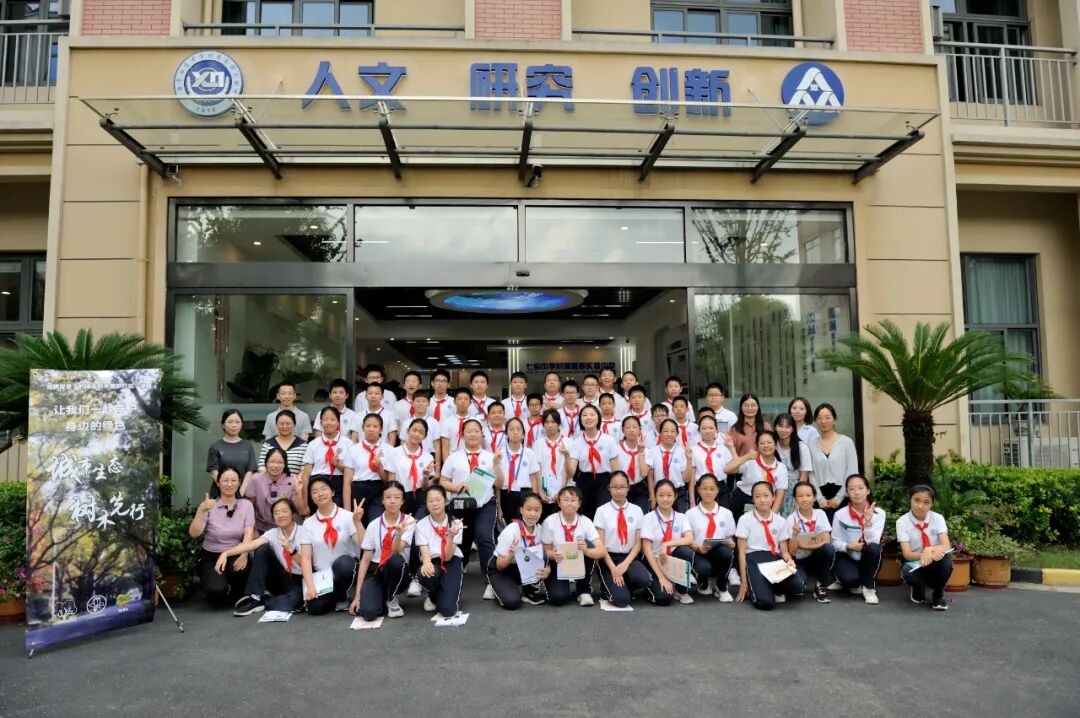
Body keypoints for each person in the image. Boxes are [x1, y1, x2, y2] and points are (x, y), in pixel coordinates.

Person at [440, 419, 498, 598]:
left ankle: (491, 579)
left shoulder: (490, 456)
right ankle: (457, 568)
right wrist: (456, 486)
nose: (472, 434)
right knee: (462, 538)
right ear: (462, 434)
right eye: (469, 431)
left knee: (484, 537)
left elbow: (499, 484)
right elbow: (443, 481)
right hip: (461, 505)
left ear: (482, 434)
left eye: (476, 431)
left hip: (485, 504)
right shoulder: (454, 457)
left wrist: (496, 464)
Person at [223, 497, 306, 617]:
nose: (280, 515)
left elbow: (307, 565)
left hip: (302, 579)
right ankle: (254, 596)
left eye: (284, 511)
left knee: (292, 603)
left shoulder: (304, 532)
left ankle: (263, 601)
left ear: (292, 514)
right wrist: (226, 554)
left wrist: (292, 551)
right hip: (282, 577)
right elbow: (251, 545)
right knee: (262, 548)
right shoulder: (273, 533)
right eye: (276, 513)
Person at [188, 467, 256, 608]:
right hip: (212, 557)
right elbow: (194, 533)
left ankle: (235, 590)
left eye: (233, 480)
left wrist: (244, 554)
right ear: (218, 483)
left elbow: (248, 534)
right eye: (225, 480)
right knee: (216, 592)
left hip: (235, 553)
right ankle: (219, 585)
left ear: (239, 483)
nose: (229, 484)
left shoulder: (246, 505)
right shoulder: (209, 505)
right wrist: (201, 510)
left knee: (241, 572)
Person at [299, 476, 365, 615]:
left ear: (333, 492)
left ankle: (342, 595)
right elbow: (305, 558)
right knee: (315, 608)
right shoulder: (308, 524)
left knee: (343, 564)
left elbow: (363, 544)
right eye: (315, 491)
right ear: (311, 497)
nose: (320, 494)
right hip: (323, 576)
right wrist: (310, 586)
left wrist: (358, 522)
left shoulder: (347, 516)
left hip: (345, 569)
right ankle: (333, 597)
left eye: (324, 489)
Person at [350, 481, 415, 621]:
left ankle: (391, 597)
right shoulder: (374, 525)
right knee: (368, 613)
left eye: (397, 497)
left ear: (403, 500)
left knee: (395, 561)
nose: (392, 501)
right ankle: (382, 597)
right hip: (377, 569)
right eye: (388, 497)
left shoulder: (409, 521)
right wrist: (358, 595)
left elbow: (396, 551)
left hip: (397, 570)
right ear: (382, 500)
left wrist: (398, 534)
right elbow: (366, 559)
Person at [734, 481, 804, 609]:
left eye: (766, 496)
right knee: (765, 602)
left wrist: (789, 561)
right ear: (753, 499)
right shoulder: (745, 519)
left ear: (773, 497)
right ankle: (759, 587)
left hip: (774, 559)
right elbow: (742, 553)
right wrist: (744, 583)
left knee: (798, 585)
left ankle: (771, 588)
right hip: (754, 559)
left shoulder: (780, 521)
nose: (762, 500)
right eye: (757, 496)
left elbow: (784, 552)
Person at [592, 471, 653, 608]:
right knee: (622, 601)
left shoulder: (637, 510)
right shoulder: (602, 511)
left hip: (628, 557)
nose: (618, 491)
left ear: (628, 488)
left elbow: (637, 544)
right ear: (609, 488)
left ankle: (623, 586)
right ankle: (609, 588)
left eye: (622, 487)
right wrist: (614, 568)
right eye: (615, 487)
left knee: (644, 579)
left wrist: (625, 564)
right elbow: (600, 545)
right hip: (608, 558)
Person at [540, 486, 606, 607]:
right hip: (558, 563)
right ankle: (560, 586)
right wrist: (553, 555)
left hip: (579, 562)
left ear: (579, 503)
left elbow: (601, 550)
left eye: (573, 500)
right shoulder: (549, 521)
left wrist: (586, 550)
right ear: (559, 502)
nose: (569, 503)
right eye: (565, 499)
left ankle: (583, 590)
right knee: (558, 598)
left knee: (589, 544)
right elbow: (545, 549)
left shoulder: (586, 521)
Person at [830, 474, 886, 605]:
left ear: (868, 490)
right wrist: (848, 546)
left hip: (868, 557)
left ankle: (868, 588)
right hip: (848, 556)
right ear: (847, 493)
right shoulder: (840, 514)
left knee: (873, 548)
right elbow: (835, 541)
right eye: (852, 489)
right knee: (851, 581)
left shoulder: (879, 513)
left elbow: (873, 542)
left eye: (860, 488)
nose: (856, 492)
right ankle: (849, 581)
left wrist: (868, 523)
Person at [488, 492, 550, 609]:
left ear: (541, 511)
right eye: (529, 509)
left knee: (543, 555)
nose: (533, 514)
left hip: (523, 567)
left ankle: (528, 590)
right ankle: (495, 586)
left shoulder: (541, 530)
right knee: (512, 601)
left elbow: (547, 556)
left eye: (537, 510)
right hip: (503, 569)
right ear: (521, 510)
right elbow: (499, 565)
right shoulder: (511, 530)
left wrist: (547, 570)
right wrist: (511, 555)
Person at [640, 479, 696, 605]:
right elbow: (647, 550)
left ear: (675, 496)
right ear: (655, 496)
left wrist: (666, 544)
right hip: (654, 562)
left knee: (685, 551)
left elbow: (689, 538)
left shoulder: (681, 517)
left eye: (669, 495)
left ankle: (681, 591)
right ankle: (651, 587)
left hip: (672, 562)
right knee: (664, 599)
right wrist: (661, 577)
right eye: (661, 495)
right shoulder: (648, 518)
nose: (665, 499)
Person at [898, 484, 953, 611]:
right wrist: (924, 555)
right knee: (907, 571)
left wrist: (929, 550)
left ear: (931, 504)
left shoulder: (937, 518)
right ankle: (918, 588)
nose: (920, 506)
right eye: (916, 500)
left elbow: (946, 545)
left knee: (946, 562)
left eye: (926, 502)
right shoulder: (902, 522)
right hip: (916, 561)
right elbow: (907, 554)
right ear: (910, 500)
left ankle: (938, 596)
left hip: (935, 560)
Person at [414, 485, 465, 619]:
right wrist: (426, 563)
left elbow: (447, 557)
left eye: (438, 499)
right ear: (426, 503)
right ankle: (433, 596)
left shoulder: (457, 523)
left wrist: (451, 536)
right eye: (430, 500)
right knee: (425, 573)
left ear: (446, 501)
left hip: (451, 561)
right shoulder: (421, 525)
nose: (434, 504)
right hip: (433, 560)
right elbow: (425, 554)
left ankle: (444, 597)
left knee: (448, 610)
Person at [686, 474, 737, 602]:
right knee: (704, 569)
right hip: (698, 552)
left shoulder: (726, 513)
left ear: (717, 490)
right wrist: (696, 548)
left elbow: (731, 536)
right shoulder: (690, 514)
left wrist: (731, 543)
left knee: (727, 552)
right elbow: (687, 540)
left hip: (719, 553)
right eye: (704, 488)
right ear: (698, 490)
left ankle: (722, 587)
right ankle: (702, 584)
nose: (708, 492)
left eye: (712, 489)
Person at [567, 404, 619, 518]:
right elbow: (571, 472)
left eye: (592, 415)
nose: (588, 417)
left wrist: (615, 486)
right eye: (584, 415)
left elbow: (615, 469)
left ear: (598, 418)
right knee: (585, 515)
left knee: (603, 513)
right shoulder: (577, 442)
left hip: (605, 481)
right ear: (580, 420)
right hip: (585, 480)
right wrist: (566, 456)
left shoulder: (608, 440)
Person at [807, 403, 859, 517]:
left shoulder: (846, 442)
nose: (823, 421)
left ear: (834, 420)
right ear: (815, 421)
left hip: (844, 494)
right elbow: (811, 474)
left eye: (827, 417)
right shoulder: (811, 445)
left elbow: (852, 471)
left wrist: (840, 497)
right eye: (819, 418)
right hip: (820, 497)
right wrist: (819, 498)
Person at [787, 481, 834, 603]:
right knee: (797, 587)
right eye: (800, 496)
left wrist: (803, 546)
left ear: (814, 497)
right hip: (799, 560)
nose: (804, 499)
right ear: (795, 499)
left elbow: (827, 541)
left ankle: (821, 585)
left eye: (808, 495)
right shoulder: (791, 519)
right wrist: (795, 535)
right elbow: (792, 552)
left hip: (816, 557)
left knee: (828, 549)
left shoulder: (820, 514)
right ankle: (802, 580)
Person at [724, 429, 789, 518]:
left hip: (766, 502)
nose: (766, 446)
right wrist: (747, 456)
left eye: (769, 442)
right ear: (757, 446)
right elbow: (727, 469)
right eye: (762, 443)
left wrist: (772, 518)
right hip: (744, 499)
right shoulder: (751, 461)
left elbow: (779, 495)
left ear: (775, 445)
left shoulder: (781, 467)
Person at [298, 406, 353, 509]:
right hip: (316, 482)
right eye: (325, 419)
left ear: (338, 422)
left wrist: (338, 465)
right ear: (321, 423)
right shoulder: (313, 444)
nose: (329, 422)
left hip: (338, 483)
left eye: (332, 419)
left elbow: (351, 474)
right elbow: (306, 475)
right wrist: (305, 504)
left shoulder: (348, 444)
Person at [243, 447, 307, 533]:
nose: (275, 466)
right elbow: (249, 507)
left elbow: (302, 512)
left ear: (285, 465)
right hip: (260, 528)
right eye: (272, 461)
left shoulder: (292, 481)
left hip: (285, 528)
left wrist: (298, 492)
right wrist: (252, 529)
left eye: (280, 462)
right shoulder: (256, 479)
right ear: (266, 463)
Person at [342, 413, 392, 524]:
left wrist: (379, 468)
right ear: (363, 428)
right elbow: (347, 482)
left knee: (376, 522)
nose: (371, 429)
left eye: (375, 426)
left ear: (381, 430)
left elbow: (388, 480)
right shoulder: (353, 450)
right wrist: (347, 510)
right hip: (359, 489)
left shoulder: (389, 450)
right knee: (359, 524)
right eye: (368, 426)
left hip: (379, 489)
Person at [494, 417, 541, 524]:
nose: (515, 432)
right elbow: (497, 486)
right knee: (509, 527)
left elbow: (534, 480)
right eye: (511, 429)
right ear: (506, 433)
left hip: (525, 494)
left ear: (523, 433)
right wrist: (499, 507)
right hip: (506, 495)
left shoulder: (530, 454)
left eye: (518, 429)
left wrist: (535, 503)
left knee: (526, 526)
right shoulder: (500, 454)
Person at [206, 409, 257, 498]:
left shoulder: (247, 446)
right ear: (223, 424)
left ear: (241, 424)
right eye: (230, 422)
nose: (234, 425)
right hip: (220, 495)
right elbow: (214, 473)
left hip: (242, 494)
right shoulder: (215, 447)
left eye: (237, 422)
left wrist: (240, 493)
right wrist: (227, 490)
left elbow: (250, 471)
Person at [688, 416, 734, 505]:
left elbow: (735, 468)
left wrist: (731, 448)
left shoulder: (723, 449)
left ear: (716, 430)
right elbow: (692, 479)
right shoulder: (693, 450)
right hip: (702, 488)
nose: (708, 431)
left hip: (721, 488)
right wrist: (692, 501)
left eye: (711, 428)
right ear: (699, 431)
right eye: (704, 428)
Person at [647, 419, 690, 512]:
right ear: (660, 433)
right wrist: (653, 497)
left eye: (673, 431)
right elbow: (650, 477)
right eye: (665, 431)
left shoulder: (682, 452)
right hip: (659, 493)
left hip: (678, 492)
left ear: (677, 434)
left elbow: (686, 479)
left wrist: (689, 459)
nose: (669, 434)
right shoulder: (652, 451)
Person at [535, 409, 571, 520]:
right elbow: (538, 468)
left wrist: (562, 490)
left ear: (558, 423)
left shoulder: (568, 442)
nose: (550, 425)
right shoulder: (539, 443)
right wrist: (540, 490)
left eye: (553, 422)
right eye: (547, 422)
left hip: (563, 487)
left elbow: (567, 469)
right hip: (544, 487)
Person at [774, 412, 811, 516]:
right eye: (780, 426)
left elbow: (804, 477)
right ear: (775, 427)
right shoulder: (772, 445)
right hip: (775, 489)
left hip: (794, 490)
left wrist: (798, 499)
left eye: (787, 427)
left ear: (793, 429)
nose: (783, 430)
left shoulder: (802, 448)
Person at [615, 415, 651, 514]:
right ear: (623, 430)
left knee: (641, 515)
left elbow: (644, 473)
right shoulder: (616, 450)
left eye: (635, 427)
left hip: (640, 488)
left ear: (640, 430)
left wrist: (641, 453)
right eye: (628, 427)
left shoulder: (647, 451)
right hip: (621, 488)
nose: (631, 430)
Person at [257, 409, 308, 477]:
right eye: (281, 424)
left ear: (294, 424)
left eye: (288, 424)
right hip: (270, 483)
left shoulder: (303, 446)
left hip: (295, 482)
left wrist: (293, 482)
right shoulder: (267, 445)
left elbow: (304, 470)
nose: (285, 426)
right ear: (276, 424)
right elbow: (262, 468)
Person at [439, 387, 475, 461]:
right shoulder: (447, 422)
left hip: (471, 459)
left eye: (466, 399)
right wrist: (447, 464)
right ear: (454, 402)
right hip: (452, 459)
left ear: (470, 402)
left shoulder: (475, 421)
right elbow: (445, 448)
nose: (463, 401)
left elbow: (478, 444)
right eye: (459, 399)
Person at [730, 393, 771, 458]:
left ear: (758, 407)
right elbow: (731, 452)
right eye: (746, 405)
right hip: (742, 463)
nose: (750, 408)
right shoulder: (735, 429)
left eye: (753, 405)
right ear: (741, 408)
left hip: (763, 463)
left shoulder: (766, 426)